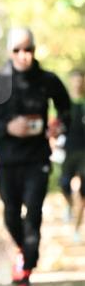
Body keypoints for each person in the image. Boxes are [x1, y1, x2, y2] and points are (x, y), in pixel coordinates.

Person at [0, 26, 71, 286]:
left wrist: (58, 125)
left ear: (35, 50)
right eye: (17, 50)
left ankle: (24, 276)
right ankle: (24, 254)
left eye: (28, 49)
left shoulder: (47, 80)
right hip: (7, 161)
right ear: (9, 51)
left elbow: (65, 109)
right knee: (11, 215)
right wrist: (7, 127)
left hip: (37, 160)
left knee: (34, 216)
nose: (23, 55)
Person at [59, 68, 85, 243]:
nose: (77, 83)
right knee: (64, 184)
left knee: (84, 192)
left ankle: (77, 228)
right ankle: (69, 206)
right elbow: (56, 124)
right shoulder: (64, 103)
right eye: (75, 80)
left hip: (84, 152)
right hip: (68, 151)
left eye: (80, 80)